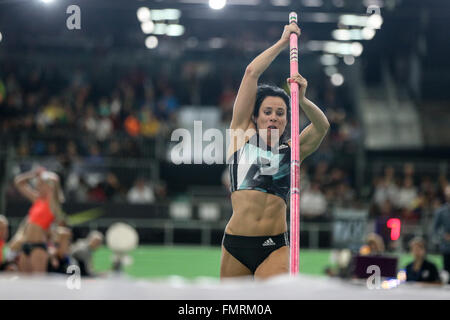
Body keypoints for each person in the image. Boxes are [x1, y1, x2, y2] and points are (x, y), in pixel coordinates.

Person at [221, 22, 330, 280]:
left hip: (273, 246)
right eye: (267, 112)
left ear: (286, 120)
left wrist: (302, 100)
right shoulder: (240, 136)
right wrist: (283, 42)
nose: (273, 117)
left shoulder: (292, 150)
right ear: (256, 117)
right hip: (235, 243)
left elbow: (322, 126)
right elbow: (250, 73)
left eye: (280, 113)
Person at [14, 167, 65, 273]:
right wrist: (34, 174)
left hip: (38, 247)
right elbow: (18, 182)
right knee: (23, 282)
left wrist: (46, 176)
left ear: (49, 187)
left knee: (37, 283)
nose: (38, 186)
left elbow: (55, 183)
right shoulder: (37, 199)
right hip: (25, 245)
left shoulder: (52, 204)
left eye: (41, 184)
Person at [432, 185, 450, 282]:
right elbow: (435, 229)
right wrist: (443, 236)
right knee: (446, 273)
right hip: (446, 248)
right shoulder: (441, 212)